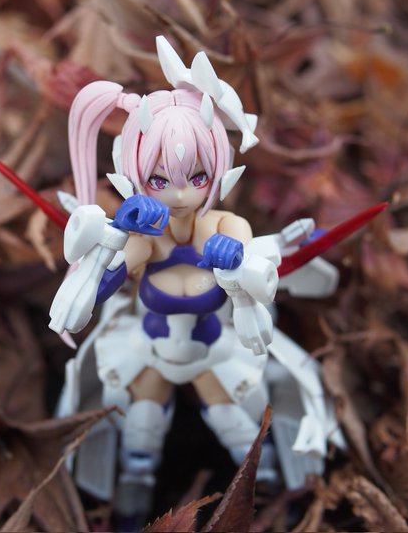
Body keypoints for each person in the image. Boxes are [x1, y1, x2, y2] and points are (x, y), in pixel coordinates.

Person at [50, 37, 343, 511]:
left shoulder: (223, 227)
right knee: (140, 435)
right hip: (151, 350)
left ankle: (270, 495)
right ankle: (131, 507)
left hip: (213, 353)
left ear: (219, 170)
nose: (180, 195)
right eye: (160, 180)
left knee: (239, 432)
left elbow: (256, 272)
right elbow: (100, 287)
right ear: (136, 176)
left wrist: (234, 261)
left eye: (198, 177)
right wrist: (112, 237)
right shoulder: (146, 237)